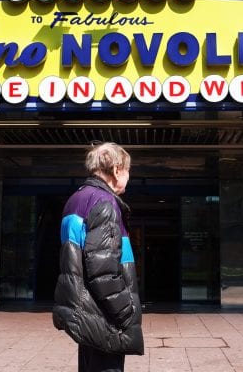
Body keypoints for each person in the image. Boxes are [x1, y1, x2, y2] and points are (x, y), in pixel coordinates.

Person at [53, 142, 143, 372]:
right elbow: (103, 272)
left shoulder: (78, 198)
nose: (128, 177)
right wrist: (126, 314)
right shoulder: (105, 202)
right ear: (116, 169)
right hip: (104, 318)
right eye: (128, 171)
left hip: (87, 313)